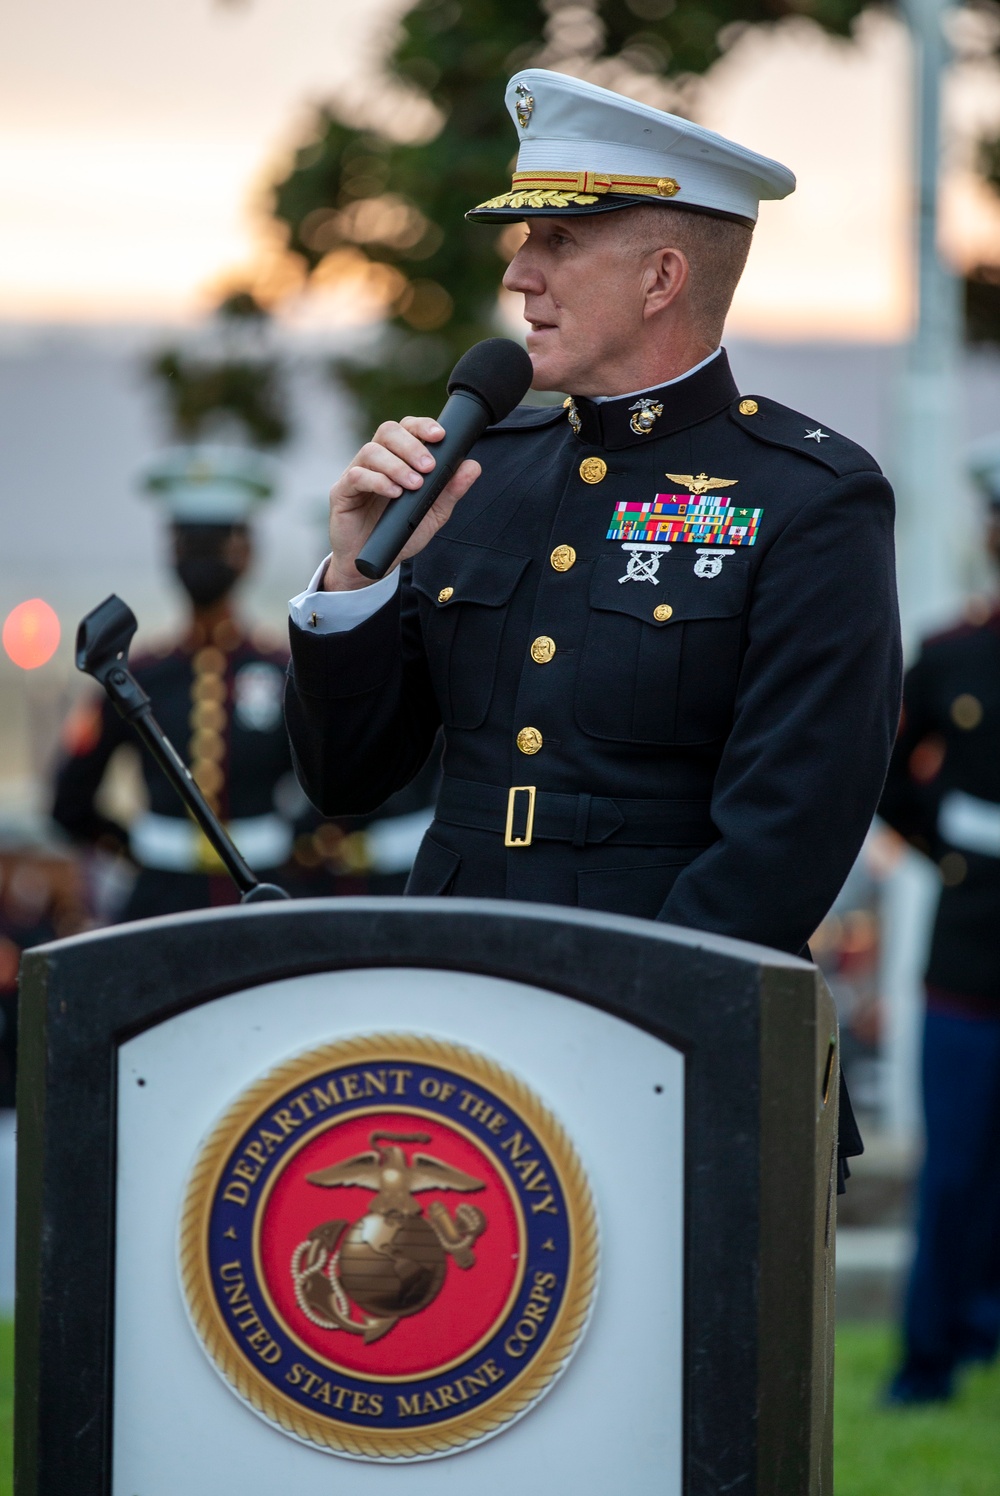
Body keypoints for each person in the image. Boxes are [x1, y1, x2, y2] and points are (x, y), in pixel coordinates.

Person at [284, 70, 902, 1185]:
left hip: (681, 1038)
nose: (519, 272)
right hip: (450, 1029)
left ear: (663, 274)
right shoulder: (483, 473)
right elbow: (346, 778)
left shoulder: (808, 495)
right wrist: (351, 574)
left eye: (558, 240)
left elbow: (787, 830)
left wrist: (625, 1018)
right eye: (523, 240)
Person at [878, 432, 1000, 1403]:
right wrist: (947, 848)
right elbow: (884, 770)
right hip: (969, 950)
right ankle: (930, 1359)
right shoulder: (952, 654)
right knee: (953, 1167)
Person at [53, 446, 299, 919]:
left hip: (264, 892)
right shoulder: (135, 674)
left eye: (214, 544)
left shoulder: (283, 670)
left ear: (247, 553)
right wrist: (140, 848)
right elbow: (68, 803)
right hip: (158, 900)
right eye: (190, 544)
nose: (200, 559)